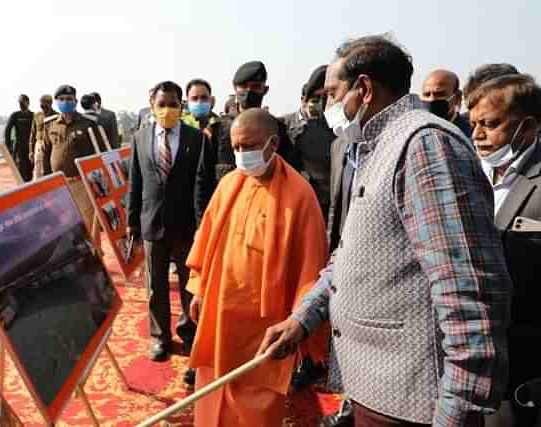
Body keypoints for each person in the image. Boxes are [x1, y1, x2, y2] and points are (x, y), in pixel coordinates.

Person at [257, 35, 512, 426]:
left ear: (363, 88)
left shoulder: (425, 145)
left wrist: (456, 412)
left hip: (412, 401)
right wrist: (303, 318)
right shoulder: (371, 146)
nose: (328, 106)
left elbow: (469, 294)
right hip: (374, 389)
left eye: (332, 93)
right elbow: (355, 253)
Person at [186, 108, 328, 426]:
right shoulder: (228, 185)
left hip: (262, 325)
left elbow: (311, 266)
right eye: (235, 147)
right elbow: (206, 241)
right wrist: (199, 289)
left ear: (272, 143)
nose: (241, 154)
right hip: (219, 315)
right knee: (212, 392)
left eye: (248, 146)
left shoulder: (300, 195)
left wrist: (298, 321)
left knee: (256, 402)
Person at [468, 73, 541, 427]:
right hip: (468, 355)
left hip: (524, 364)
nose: (478, 134)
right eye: (474, 124)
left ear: (526, 127)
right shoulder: (468, 173)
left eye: (490, 124)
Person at [126, 81, 211, 378]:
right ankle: (160, 337)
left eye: (172, 104)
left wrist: (202, 226)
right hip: (151, 224)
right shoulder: (139, 138)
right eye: (161, 105)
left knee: (190, 285)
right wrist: (131, 222)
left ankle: (189, 333)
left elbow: (202, 185)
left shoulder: (196, 138)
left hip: (186, 226)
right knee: (155, 287)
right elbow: (134, 184)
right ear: (152, 106)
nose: (167, 110)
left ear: (181, 106)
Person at [216, 61, 300, 184]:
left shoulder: (278, 129)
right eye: (244, 86)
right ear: (235, 88)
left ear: (265, 90)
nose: (249, 91)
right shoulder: (218, 129)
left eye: (255, 87)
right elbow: (203, 179)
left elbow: (287, 173)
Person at [42, 85, 107, 232]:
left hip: (82, 183)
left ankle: (94, 254)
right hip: (58, 184)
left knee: (88, 224)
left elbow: (99, 151)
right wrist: (46, 181)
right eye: (62, 99)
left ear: (75, 101)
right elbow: (46, 153)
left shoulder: (88, 123)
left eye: (69, 99)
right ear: (56, 102)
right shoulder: (50, 125)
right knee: (66, 226)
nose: (66, 102)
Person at [282, 65, 335, 224]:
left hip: (324, 204)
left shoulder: (332, 126)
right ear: (303, 99)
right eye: (315, 99)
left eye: (324, 98)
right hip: (293, 204)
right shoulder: (283, 125)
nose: (319, 104)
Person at [181, 78, 222, 222]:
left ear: (211, 100)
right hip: (185, 202)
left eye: (204, 98)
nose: (199, 102)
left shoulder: (222, 127)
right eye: (194, 98)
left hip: (214, 198)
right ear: (187, 102)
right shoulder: (180, 129)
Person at [421, 69, 472, 138]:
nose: (432, 99)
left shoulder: (470, 133)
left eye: (439, 94)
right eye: (427, 94)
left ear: (457, 97)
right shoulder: (417, 132)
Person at [5, 94, 34, 181]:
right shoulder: (15, 115)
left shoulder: (33, 115)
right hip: (18, 147)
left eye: (23, 102)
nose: (21, 104)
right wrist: (8, 145)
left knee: (30, 168)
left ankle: (29, 185)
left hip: (30, 146)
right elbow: (8, 130)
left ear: (28, 103)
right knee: (20, 168)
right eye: (20, 103)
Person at [29, 95, 57, 179]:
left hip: (52, 145)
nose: (43, 107)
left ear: (50, 103)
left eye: (45, 104)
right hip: (39, 145)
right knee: (38, 170)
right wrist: (31, 151)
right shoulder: (37, 115)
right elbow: (32, 134)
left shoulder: (57, 116)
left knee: (50, 168)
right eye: (41, 104)